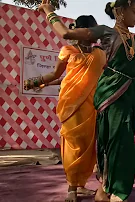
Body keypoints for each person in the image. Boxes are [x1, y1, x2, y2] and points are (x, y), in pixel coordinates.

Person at [37, 0, 135, 201]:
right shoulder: (106, 33)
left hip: (128, 96)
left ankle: (114, 188)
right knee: (111, 140)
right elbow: (66, 34)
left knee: (125, 142)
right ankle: (105, 188)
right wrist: (49, 11)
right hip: (110, 96)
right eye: (134, 11)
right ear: (120, 11)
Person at [24, 15, 106, 202]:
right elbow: (57, 74)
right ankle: (71, 188)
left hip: (92, 106)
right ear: (81, 32)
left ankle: (81, 185)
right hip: (71, 105)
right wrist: (37, 81)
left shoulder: (100, 55)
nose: (95, 34)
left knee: (87, 147)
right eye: (91, 30)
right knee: (73, 145)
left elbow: (101, 77)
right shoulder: (67, 51)